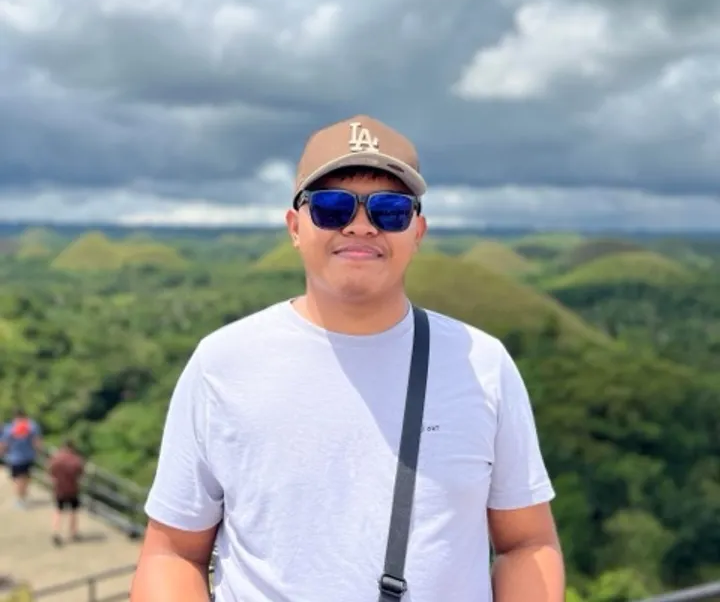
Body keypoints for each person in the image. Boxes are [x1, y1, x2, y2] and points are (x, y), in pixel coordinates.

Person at [131, 115, 565, 602]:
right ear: (295, 226)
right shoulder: (224, 364)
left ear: (417, 231)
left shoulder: (481, 364)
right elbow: (172, 553)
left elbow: (526, 542)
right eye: (332, 207)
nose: (360, 226)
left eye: (390, 210)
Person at [0, 408, 42, 508]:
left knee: (17, 478)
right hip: (28, 456)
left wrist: (1, 453)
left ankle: (20, 498)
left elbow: (4, 443)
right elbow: (36, 441)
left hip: (13, 458)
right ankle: (23, 495)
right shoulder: (32, 426)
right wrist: (39, 451)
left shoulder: (10, 427)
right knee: (25, 477)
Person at [48, 439, 86, 546]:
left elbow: (50, 473)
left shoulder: (55, 459)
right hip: (73, 489)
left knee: (58, 511)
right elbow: (81, 475)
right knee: (73, 511)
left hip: (59, 489)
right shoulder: (76, 460)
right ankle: (73, 532)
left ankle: (56, 532)